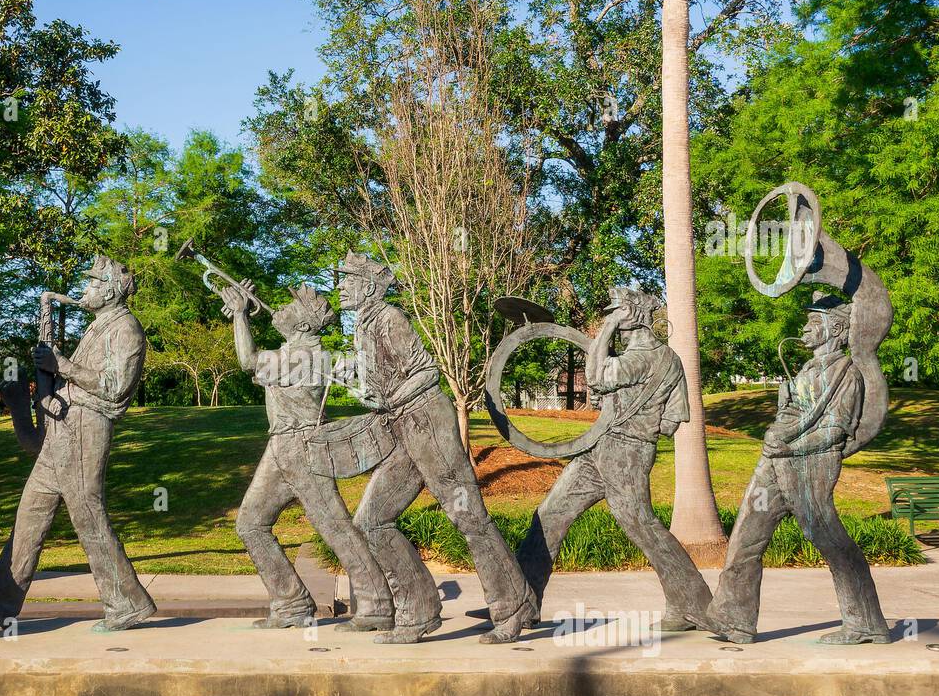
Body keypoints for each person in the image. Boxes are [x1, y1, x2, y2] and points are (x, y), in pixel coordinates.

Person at [338, 252, 536, 644]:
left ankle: (513, 607)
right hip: (404, 429)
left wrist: (389, 397)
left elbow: (425, 372)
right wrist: (358, 380)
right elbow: (381, 384)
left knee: (469, 519)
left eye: (346, 279)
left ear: (368, 284)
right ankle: (420, 610)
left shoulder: (390, 318)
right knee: (371, 520)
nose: (340, 287)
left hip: (427, 424)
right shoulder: (364, 325)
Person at [516, 287, 713, 629]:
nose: (612, 319)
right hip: (599, 449)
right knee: (550, 514)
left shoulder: (645, 358)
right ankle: (520, 604)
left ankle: (694, 604)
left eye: (617, 312)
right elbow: (671, 417)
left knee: (641, 525)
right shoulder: (658, 360)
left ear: (634, 314)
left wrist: (604, 332)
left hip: (627, 452)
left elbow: (597, 376)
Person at [702, 293, 891, 645]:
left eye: (811, 323)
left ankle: (866, 622)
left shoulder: (846, 373)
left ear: (834, 328)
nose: (804, 329)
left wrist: (790, 445)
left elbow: (834, 430)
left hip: (810, 467)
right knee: (746, 535)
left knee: (827, 539)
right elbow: (796, 416)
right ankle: (733, 618)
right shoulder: (806, 369)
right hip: (773, 465)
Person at [0, 256, 156, 633]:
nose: (85, 290)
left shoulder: (127, 329)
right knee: (29, 515)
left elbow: (115, 386)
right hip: (64, 429)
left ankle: (127, 603)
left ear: (110, 291)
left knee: (88, 515)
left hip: (87, 427)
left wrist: (61, 365)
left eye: (93, 284)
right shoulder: (99, 327)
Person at [222, 281, 397, 632]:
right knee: (251, 524)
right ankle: (292, 603)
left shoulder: (302, 355)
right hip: (282, 448)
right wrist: (240, 317)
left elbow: (247, 361)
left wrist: (241, 315)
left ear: (302, 325)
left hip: (302, 448)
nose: (280, 309)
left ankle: (376, 601)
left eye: (290, 308)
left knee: (334, 527)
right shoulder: (294, 352)